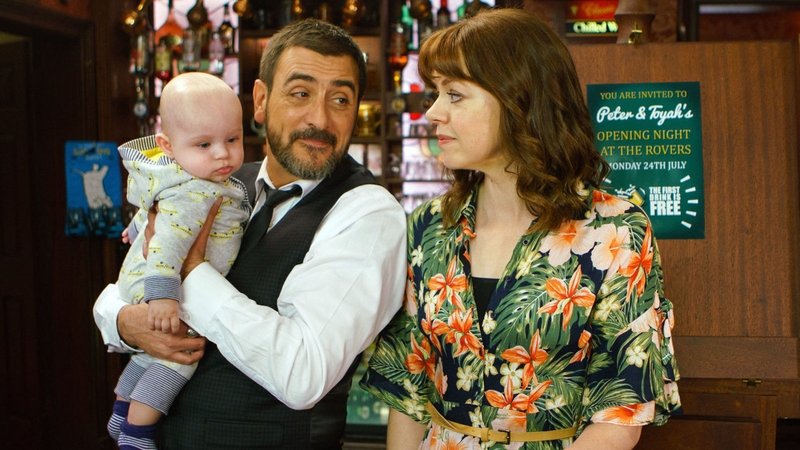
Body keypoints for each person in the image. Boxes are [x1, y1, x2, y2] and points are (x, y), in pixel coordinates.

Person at [359, 8, 681, 450]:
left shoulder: (617, 232)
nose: (432, 112)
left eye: (454, 95)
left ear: (519, 100)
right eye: (436, 93)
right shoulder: (431, 226)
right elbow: (408, 388)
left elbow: (619, 415)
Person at [93, 18, 407, 449]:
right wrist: (127, 323)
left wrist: (190, 270)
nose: (320, 118)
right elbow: (118, 290)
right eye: (300, 94)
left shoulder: (367, 212)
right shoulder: (212, 181)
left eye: (340, 99)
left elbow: (304, 373)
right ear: (260, 102)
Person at [108, 72, 251, 450]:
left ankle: (121, 411)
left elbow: (155, 211)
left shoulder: (180, 178)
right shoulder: (196, 191)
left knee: (150, 348)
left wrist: (136, 225)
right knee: (180, 355)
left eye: (232, 140)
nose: (222, 153)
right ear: (167, 145)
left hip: (154, 280)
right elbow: (170, 241)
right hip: (164, 284)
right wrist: (163, 296)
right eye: (204, 144)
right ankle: (136, 435)